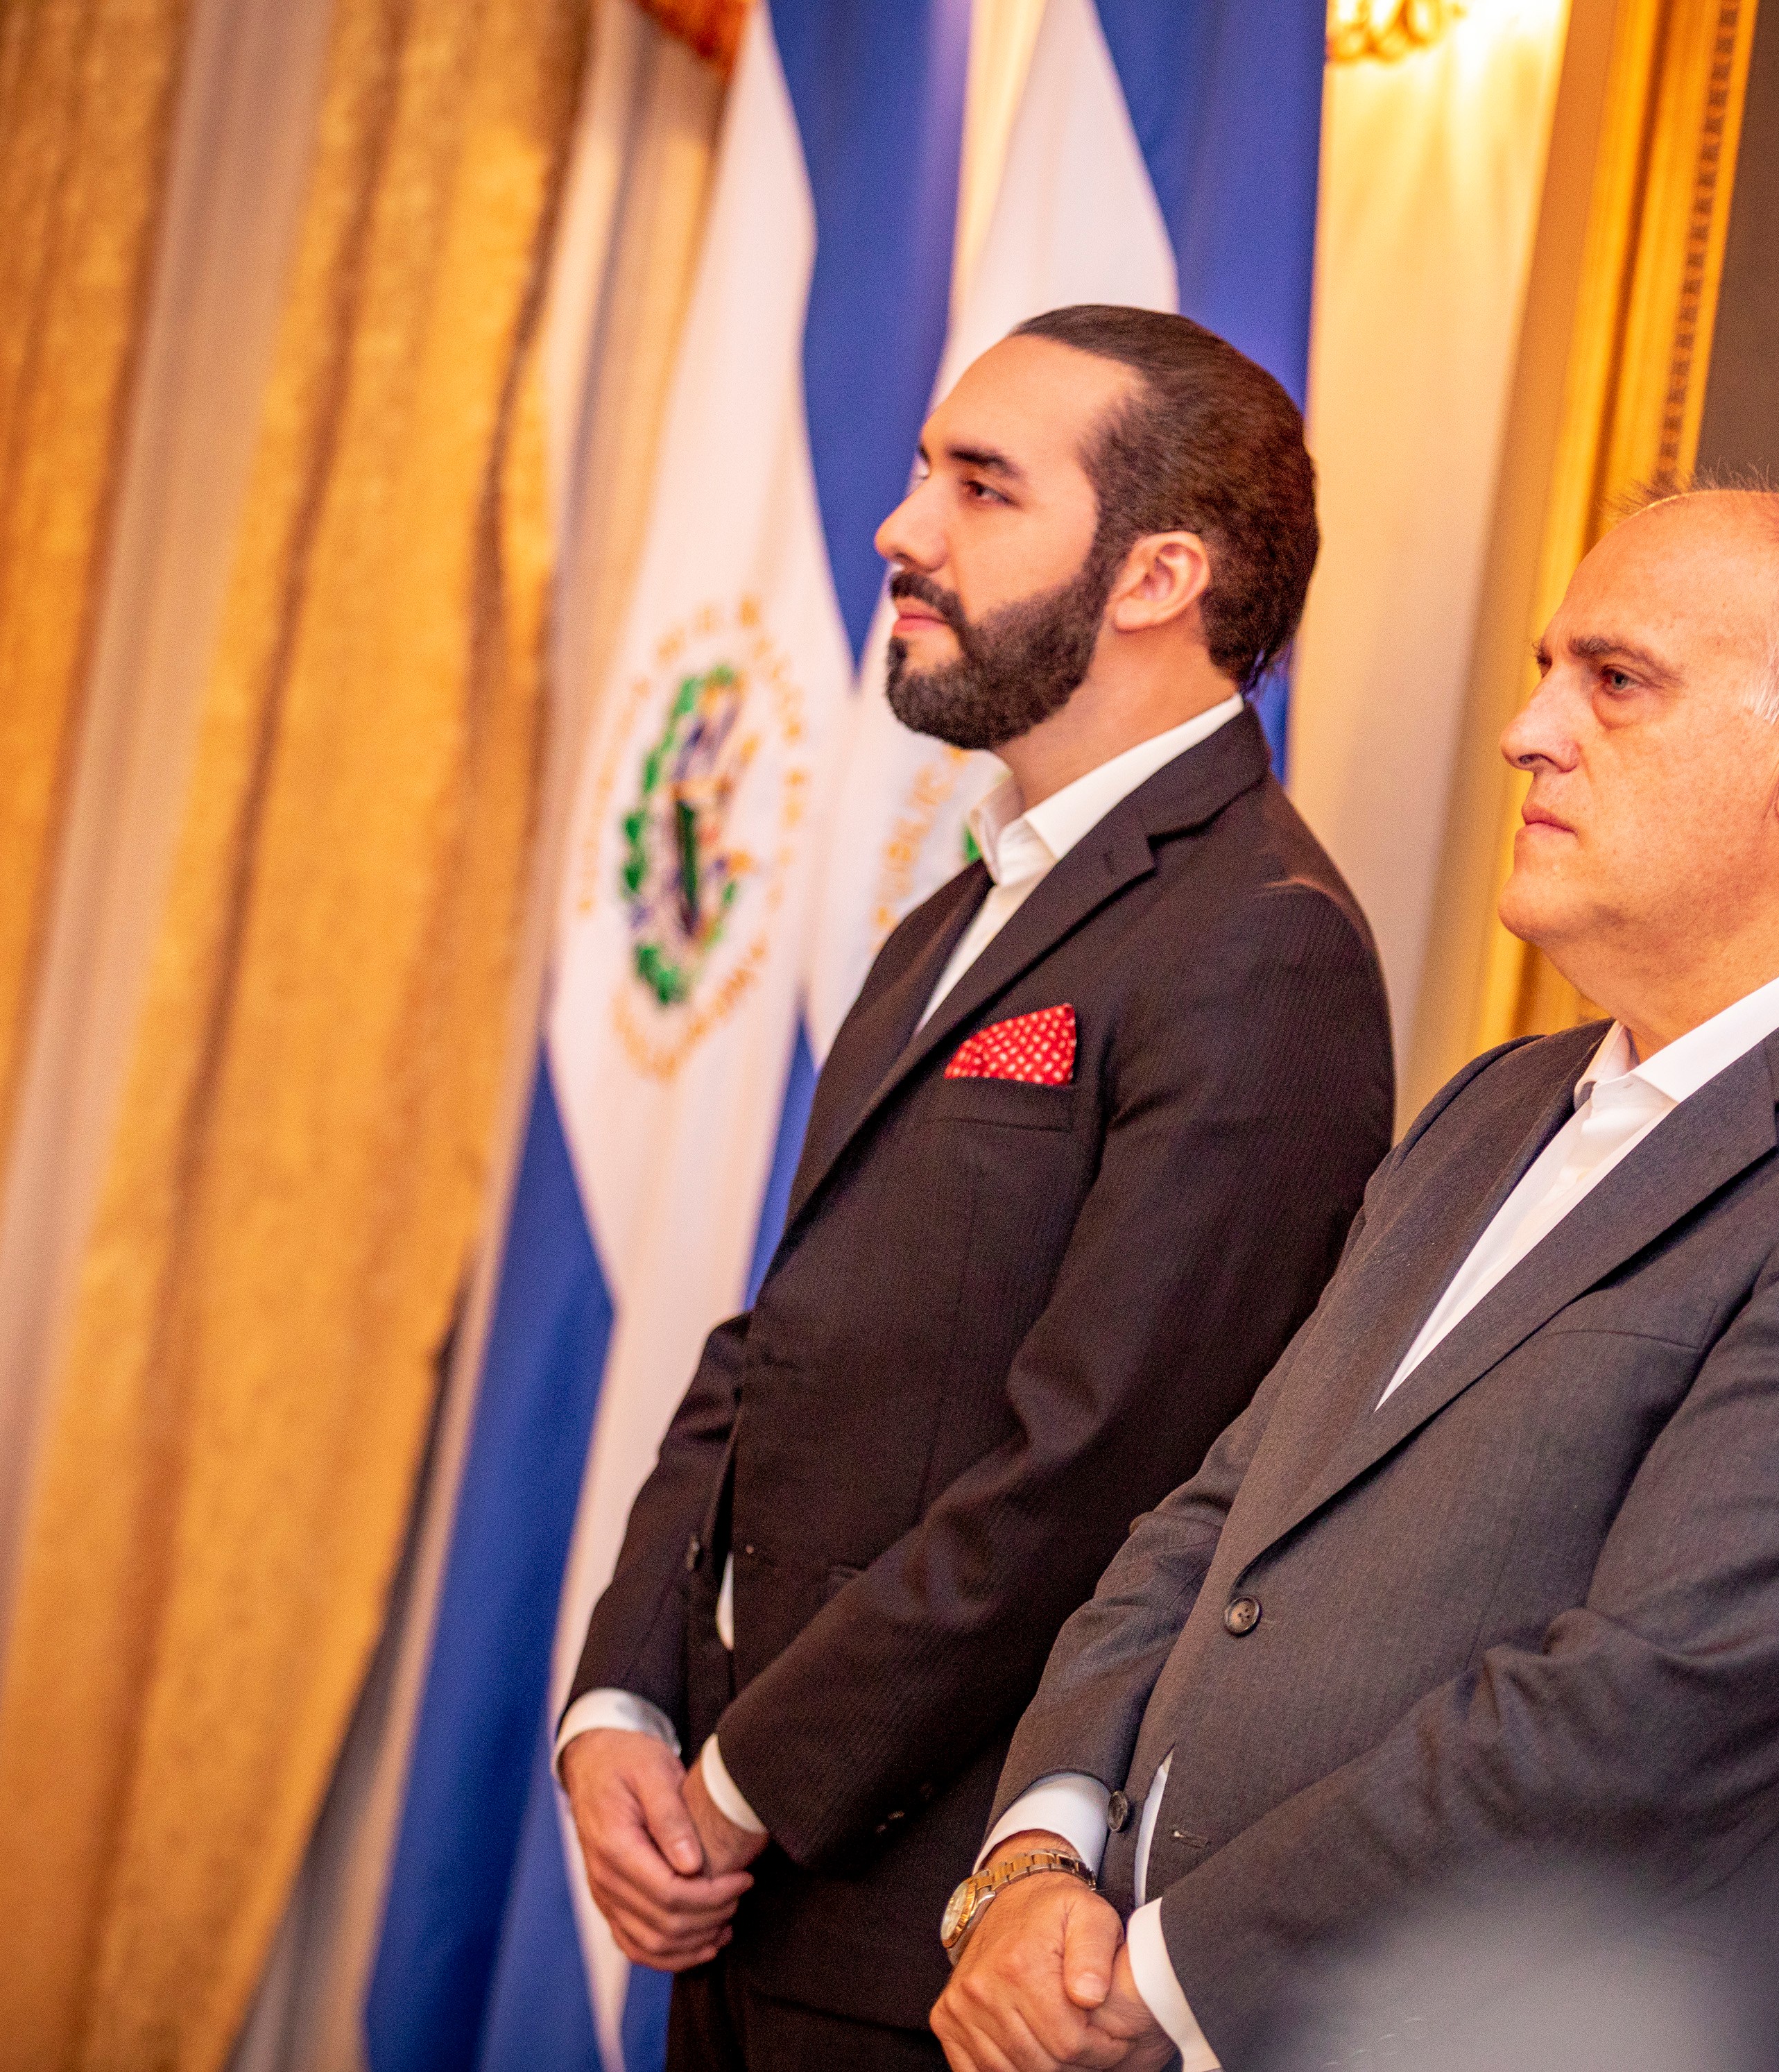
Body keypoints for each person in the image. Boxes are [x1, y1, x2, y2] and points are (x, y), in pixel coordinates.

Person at [931, 483, 1779, 2072]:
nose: (1526, 731)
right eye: (1549, 673)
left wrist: (1157, 1981)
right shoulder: (1495, 1104)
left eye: (1615, 681)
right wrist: (1037, 1856)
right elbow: (1222, 1514)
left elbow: (1640, 1729)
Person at [556, 305, 1395, 2072]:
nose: (900, 526)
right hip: (738, 1894)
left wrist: (741, 1785)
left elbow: (1096, 1471)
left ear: (1157, 574)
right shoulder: (958, 915)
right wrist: (624, 1695)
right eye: (924, 471)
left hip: (924, 1943)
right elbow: (778, 1338)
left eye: (980, 487)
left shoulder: (1262, 945)